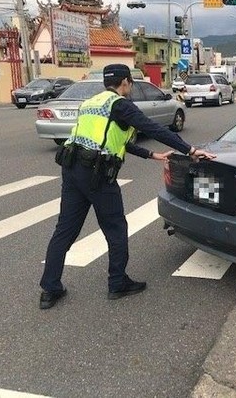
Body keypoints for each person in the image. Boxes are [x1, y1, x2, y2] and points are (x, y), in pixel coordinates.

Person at [39, 64, 216, 310]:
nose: (130, 87)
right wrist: (190, 150)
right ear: (125, 83)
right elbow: (153, 128)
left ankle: (50, 289)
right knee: (116, 228)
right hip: (97, 174)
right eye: (130, 83)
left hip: (72, 169)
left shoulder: (91, 103)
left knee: (65, 230)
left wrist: (151, 155)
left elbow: (115, 138)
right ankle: (117, 282)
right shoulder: (119, 104)